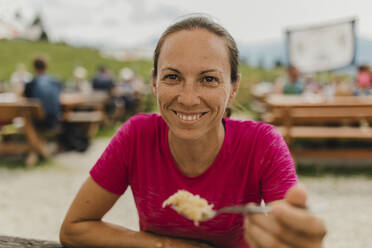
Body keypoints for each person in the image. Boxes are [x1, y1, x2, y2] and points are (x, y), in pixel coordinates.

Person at [60, 16, 326, 248]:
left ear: (233, 87)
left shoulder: (262, 144)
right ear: (154, 82)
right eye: (173, 77)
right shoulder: (137, 136)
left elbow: (289, 230)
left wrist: (297, 237)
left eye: (208, 79)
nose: (188, 99)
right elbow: (74, 228)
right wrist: (165, 245)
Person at [24, 57, 62, 130]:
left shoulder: (31, 84)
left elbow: (26, 101)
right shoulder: (56, 82)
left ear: (34, 68)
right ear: (47, 67)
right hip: (55, 121)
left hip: (37, 124)